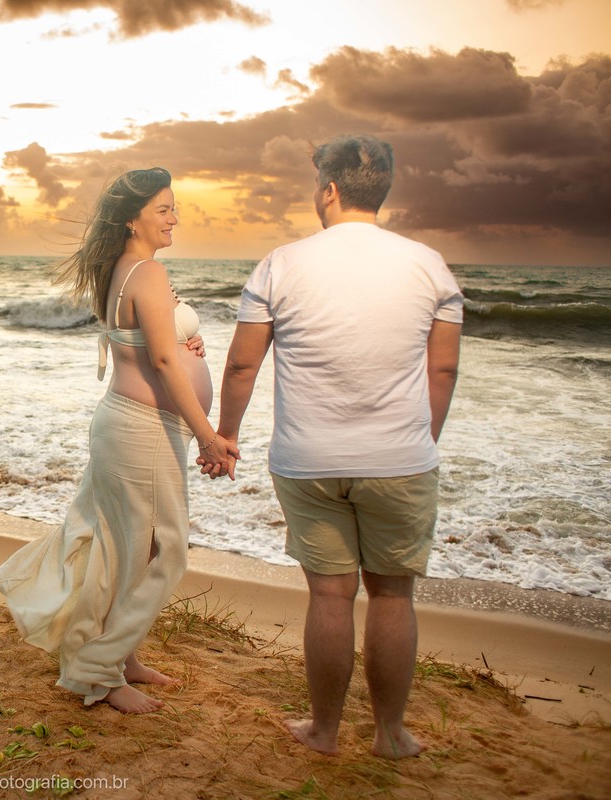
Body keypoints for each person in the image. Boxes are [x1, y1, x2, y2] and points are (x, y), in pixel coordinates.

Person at [213, 134, 463, 758]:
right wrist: (420, 439)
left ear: (328, 190)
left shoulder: (281, 264)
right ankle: (390, 734)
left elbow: (242, 365)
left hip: (308, 461)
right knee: (392, 596)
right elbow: (443, 370)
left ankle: (324, 731)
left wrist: (227, 434)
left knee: (329, 595)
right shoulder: (429, 265)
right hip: (400, 460)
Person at [0, 167, 237, 714]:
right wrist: (208, 436)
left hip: (132, 425)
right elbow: (162, 360)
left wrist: (188, 340)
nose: (175, 218)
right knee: (162, 549)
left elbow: (149, 345)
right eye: (163, 209)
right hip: (142, 430)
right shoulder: (145, 271)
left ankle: (122, 656)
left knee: (133, 547)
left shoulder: (124, 269)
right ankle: (97, 669)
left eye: (174, 207)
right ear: (132, 219)